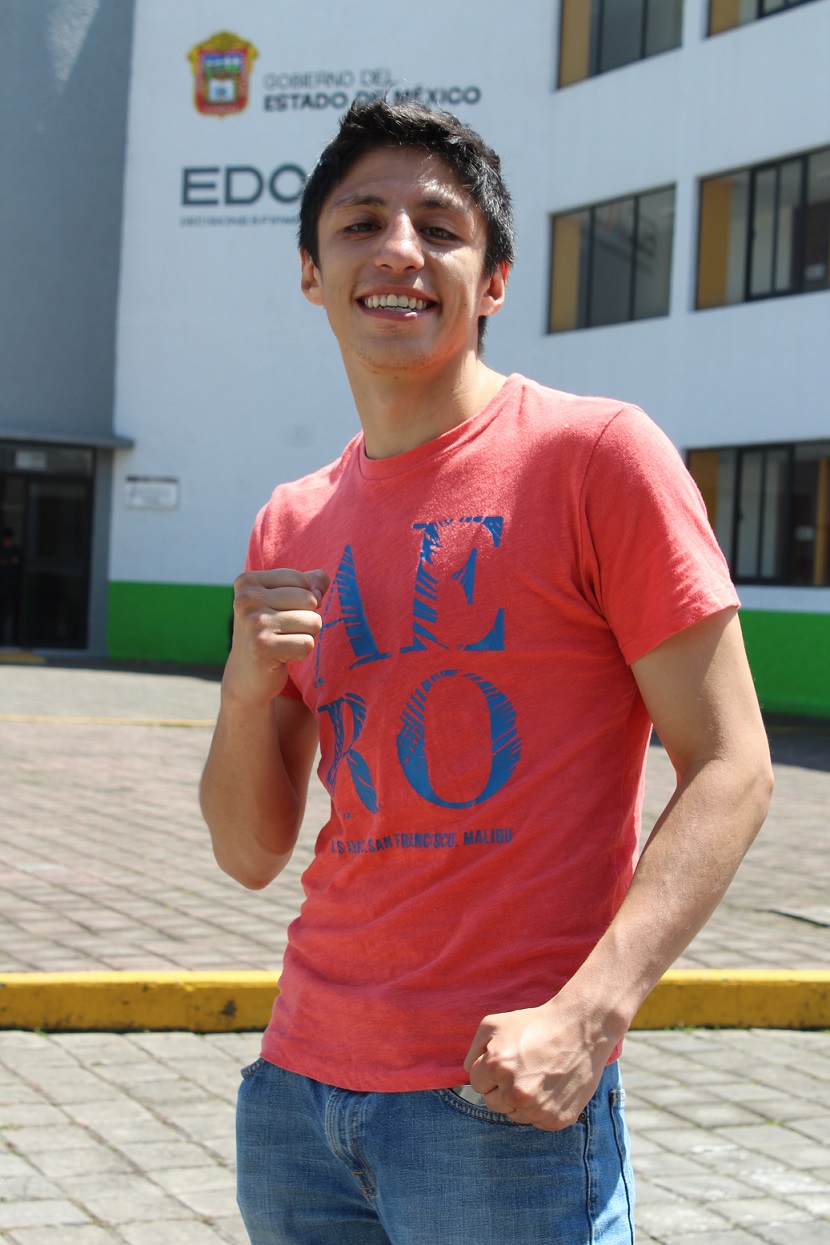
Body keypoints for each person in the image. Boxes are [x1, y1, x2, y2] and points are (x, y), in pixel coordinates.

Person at [200, 99, 773, 1245]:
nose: (397, 250)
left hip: (496, 1103)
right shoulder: (292, 520)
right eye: (360, 223)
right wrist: (242, 693)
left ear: (494, 280)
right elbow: (250, 852)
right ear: (312, 273)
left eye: (439, 228)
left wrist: (590, 1016)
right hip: (297, 1100)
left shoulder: (593, 457)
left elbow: (731, 764)